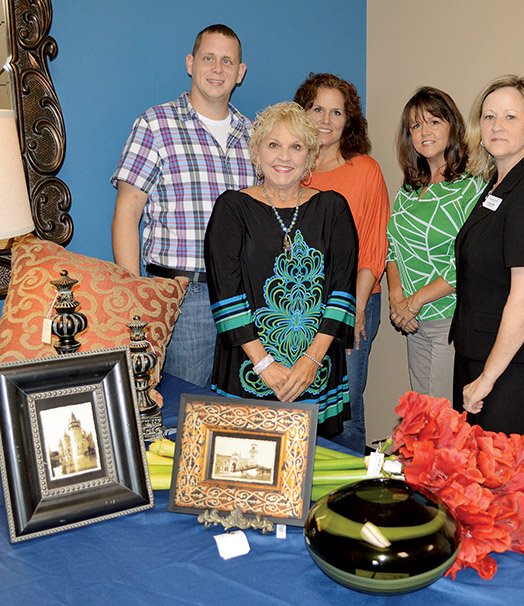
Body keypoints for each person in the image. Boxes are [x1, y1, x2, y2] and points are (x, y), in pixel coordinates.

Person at [110, 24, 255, 388]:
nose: (217, 69)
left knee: (237, 414)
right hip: (180, 296)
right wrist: (136, 296)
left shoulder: (254, 136)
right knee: (183, 411)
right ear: (191, 63)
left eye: (227, 61)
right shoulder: (155, 125)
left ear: (241, 72)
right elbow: (127, 213)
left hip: (244, 298)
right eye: (208, 58)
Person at [204, 101, 357, 437]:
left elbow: (342, 293)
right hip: (248, 370)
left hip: (317, 371)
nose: (284, 157)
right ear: (256, 154)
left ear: (311, 158)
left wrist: (309, 362)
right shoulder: (232, 209)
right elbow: (226, 296)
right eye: (273, 145)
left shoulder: (333, 209)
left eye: (296, 146)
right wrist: (265, 365)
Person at [452, 74, 524, 458]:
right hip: (483, 352)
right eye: (488, 117)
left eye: (509, 117)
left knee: (500, 489)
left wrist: (486, 378)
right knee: (472, 485)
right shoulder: (498, 186)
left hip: (517, 364)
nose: (496, 126)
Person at [294, 73, 389, 452]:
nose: (326, 120)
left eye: (337, 112)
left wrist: (357, 310)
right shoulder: (290, 169)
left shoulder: (364, 170)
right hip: (300, 307)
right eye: (318, 109)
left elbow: (373, 245)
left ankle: (347, 492)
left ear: (348, 121)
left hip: (354, 299)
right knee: (302, 398)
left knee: (344, 404)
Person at [386, 87, 486, 399]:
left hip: (448, 320)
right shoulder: (408, 190)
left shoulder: (472, 187)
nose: (424, 132)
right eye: (416, 126)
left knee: (439, 420)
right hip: (412, 320)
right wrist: (396, 298)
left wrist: (413, 302)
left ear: (452, 127)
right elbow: (392, 248)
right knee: (422, 415)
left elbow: (468, 264)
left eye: (434, 122)